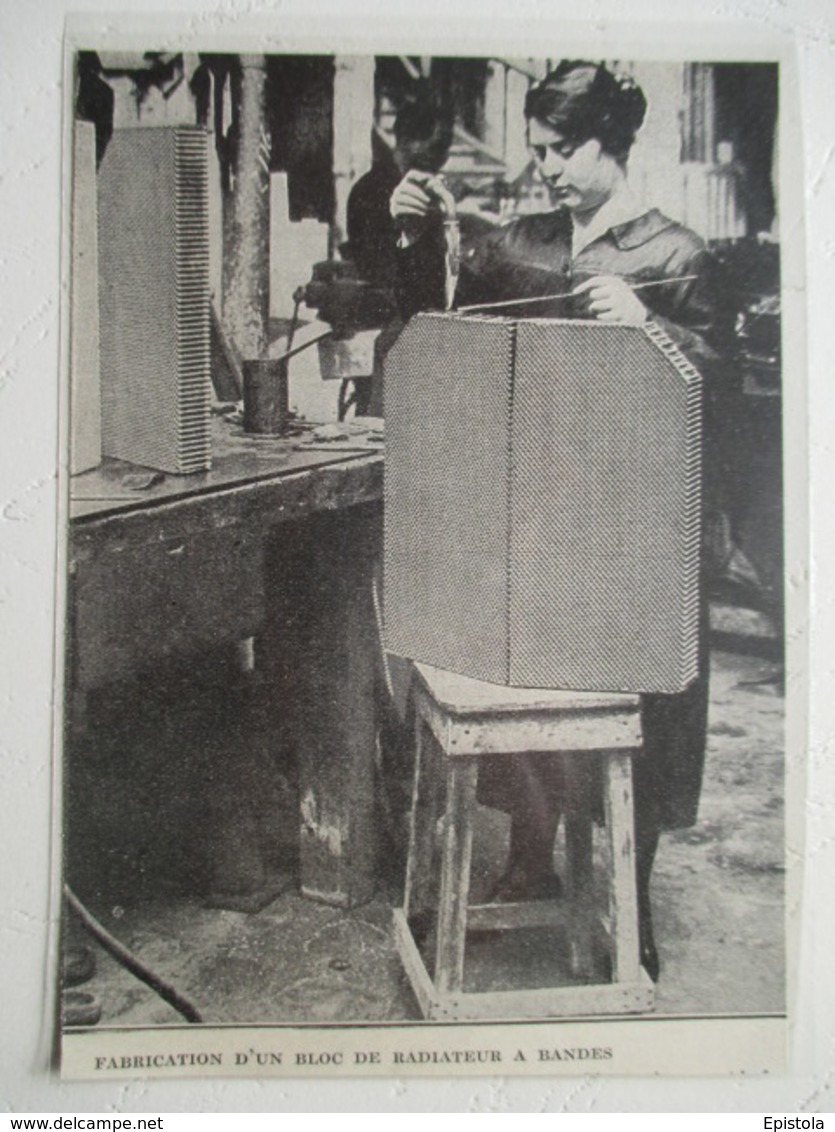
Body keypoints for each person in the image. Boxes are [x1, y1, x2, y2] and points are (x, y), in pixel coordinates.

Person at [388, 59, 736, 982]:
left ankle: (630, 890)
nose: (544, 165)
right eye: (537, 147)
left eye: (561, 149)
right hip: (539, 514)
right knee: (521, 681)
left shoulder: (676, 255)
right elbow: (452, 309)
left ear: (611, 147)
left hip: (638, 530)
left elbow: (727, 399)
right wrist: (423, 233)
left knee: (640, 712)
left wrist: (650, 326)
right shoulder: (528, 241)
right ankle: (527, 856)